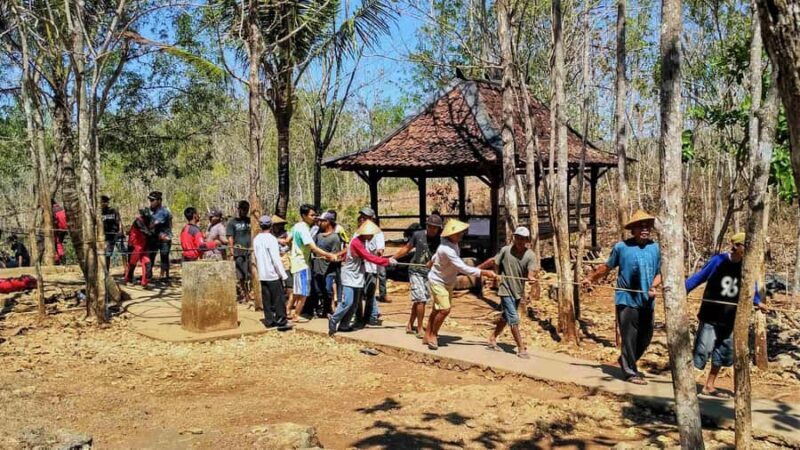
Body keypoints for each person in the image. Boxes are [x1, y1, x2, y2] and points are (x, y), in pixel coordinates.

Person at [583, 210, 662, 385]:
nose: (644, 229)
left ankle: (625, 361)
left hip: (647, 300)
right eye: (640, 226)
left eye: (647, 226)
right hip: (626, 299)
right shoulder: (622, 247)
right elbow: (607, 267)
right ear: (632, 229)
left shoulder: (655, 248)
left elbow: (661, 272)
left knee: (646, 336)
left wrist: (653, 286)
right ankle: (630, 371)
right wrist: (591, 278)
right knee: (629, 337)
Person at [685, 232, 766, 398]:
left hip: (730, 318)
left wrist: (758, 302)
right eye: (745, 245)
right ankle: (687, 386)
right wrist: (683, 290)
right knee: (702, 350)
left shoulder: (747, 265)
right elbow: (700, 277)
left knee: (722, 353)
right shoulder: (719, 261)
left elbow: (752, 288)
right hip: (710, 315)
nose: (748, 249)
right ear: (736, 246)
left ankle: (709, 385)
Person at [425, 219, 495, 350]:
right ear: (450, 234)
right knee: (445, 309)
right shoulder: (446, 249)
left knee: (437, 309)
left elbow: (437, 255)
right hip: (437, 280)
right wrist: (484, 272)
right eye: (457, 233)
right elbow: (463, 268)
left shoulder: (452, 244)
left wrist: (431, 261)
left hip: (448, 281)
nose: (460, 235)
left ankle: (427, 334)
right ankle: (434, 335)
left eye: (461, 233)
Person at [478, 226, 536, 359]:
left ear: (527, 240)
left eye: (523, 239)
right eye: (518, 238)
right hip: (505, 289)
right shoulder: (506, 250)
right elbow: (495, 261)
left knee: (506, 317)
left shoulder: (530, 255)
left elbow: (531, 273)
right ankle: (521, 347)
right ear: (514, 238)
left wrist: (531, 278)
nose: (520, 241)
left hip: (517, 291)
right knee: (513, 318)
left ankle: (492, 338)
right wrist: (493, 274)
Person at [329, 220, 395, 336]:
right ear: (365, 233)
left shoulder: (363, 242)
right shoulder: (357, 243)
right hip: (350, 275)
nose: (372, 236)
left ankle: (344, 325)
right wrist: (387, 261)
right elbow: (369, 257)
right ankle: (334, 319)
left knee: (354, 304)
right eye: (371, 234)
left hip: (358, 275)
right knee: (347, 302)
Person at [390, 214, 444, 337]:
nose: (432, 230)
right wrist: (393, 257)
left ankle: (410, 324)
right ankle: (420, 328)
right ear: (427, 226)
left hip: (430, 273)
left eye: (435, 227)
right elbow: (407, 248)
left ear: (439, 228)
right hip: (415, 270)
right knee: (421, 300)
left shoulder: (441, 240)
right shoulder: (418, 235)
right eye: (430, 227)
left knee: (420, 300)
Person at [288, 204, 338, 322]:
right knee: (304, 293)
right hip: (302, 264)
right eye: (312, 215)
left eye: (315, 215)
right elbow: (313, 248)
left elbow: (287, 240)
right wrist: (329, 255)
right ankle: (296, 315)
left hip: (297, 262)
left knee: (296, 291)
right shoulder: (304, 229)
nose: (314, 217)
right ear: (304, 216)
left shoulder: (297, 226)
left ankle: (287, 310)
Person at [253, 215, 292, 330]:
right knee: (278, 299)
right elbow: (276, 259)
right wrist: (283, 275)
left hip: (263, 274)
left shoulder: (256, 239)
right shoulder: (272, 239)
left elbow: (256, 256)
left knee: (267, 299)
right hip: (273, 274)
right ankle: (281, 321)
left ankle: (269, 320)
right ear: (271, 225)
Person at [353, 207, 385, 327]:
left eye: (365, 217)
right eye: (361, 217)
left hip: (371, 268)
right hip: (359, 268)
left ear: (372, 219)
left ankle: (368, 318)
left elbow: (380, 250)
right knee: (358, 295)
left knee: (370, 295)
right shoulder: (357, 233)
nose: (362, 219)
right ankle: (358, 318)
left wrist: (378, 254)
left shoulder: (378, 234)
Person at [311, 211, 343, 317]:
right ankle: (320, 309)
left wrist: (330, 258)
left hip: (329, 270)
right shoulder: (318, 235)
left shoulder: (335, 238)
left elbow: (336, 255)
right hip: (317, 268)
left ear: (328, 222)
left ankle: (327, 309)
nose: (319, 222)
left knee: (328, 290)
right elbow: (313, 249)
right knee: (318, 290)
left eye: (322, 221)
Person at [227, 200, 253, 303]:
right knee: (241, 275)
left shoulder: (250, 221)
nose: (244, 211)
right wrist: (232, 252)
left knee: (251, 273)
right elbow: (230, 238)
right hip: (238, 252)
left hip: (250, 252)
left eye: (246, 209)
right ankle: (244, 294)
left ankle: (251, 293)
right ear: (239, 209)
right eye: (242, 209)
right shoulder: (232, 222)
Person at [146, 191, 173, 281]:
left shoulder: (164, 212)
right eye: (150, 200)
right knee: (150, 256)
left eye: (153, 200)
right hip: (154, 237)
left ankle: (164, 276)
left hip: (164, 238)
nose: (151, 202)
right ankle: (148, 276)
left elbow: (152, 225)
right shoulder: (150, 211)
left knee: (164, 256)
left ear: (159, 201)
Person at [124, 209, 153, 287]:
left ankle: (145, 282)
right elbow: (146, 231)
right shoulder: (138, 221)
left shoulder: (149, 221)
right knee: (132, 263)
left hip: (143, 245)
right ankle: (128, 279)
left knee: (147, 263)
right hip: (134, 245)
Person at [100, 195, 124, 269]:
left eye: (105, 202)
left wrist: (120, 231)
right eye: (102, 202)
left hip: (116, 234)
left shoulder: (113, 210)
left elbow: (119, 221)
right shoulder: (99, 213)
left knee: (123, 252)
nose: (103, 204)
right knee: (107, 254)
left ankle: (126, 271)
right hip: (107, 236)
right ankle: (106, 271)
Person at [52, 199, 68, 265]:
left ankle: (58, 258)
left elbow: (55, 220)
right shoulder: (60, 208)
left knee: (57, 243)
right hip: (64, 228)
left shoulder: (53, 210)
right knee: (59, 243)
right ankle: (59, 257)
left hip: (59, 228)